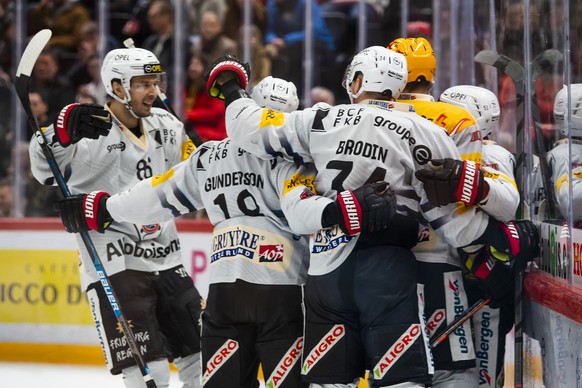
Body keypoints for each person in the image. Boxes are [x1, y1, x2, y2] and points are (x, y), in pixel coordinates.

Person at [204, 46, 539, 387]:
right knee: (402, 377)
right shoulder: (424, 130)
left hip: (325, 272)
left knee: (329, 381)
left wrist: (231, 86)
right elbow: (453, 221)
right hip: (387, 270)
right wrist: (498, 241)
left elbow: (247, 127)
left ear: (359, 79)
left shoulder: (319, 119)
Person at [52, 75, 397, 388]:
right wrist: (341, 209)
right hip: (281, 293)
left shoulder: (209, 156)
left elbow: (156, 195)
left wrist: (101, 209)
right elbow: (302, 211)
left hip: (224, 294)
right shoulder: (293, 161)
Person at [28, 47, 203, 388]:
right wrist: (60, 132)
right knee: (147, 370)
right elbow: (43, 169)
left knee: (200, 357)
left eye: (154, 81)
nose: (153, 91)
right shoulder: (89, 130)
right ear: (118, 87)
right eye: (142, 83)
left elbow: (194, 171)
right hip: (115, 263)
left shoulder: (167, 124)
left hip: (167, 258)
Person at [387, 37, 484, 387]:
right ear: (431, 75)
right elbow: (467, 197)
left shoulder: (368, 115)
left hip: (382, 261)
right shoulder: (459, 120)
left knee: (394, 368)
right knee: (452, 367)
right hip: (441, 257)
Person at [439, 85, 520, 388]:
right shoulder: (440, 147)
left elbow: (506, 204)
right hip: (451, 273)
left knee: (481, 373)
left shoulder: (491, 153)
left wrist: (472, 185)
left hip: (480, 277)